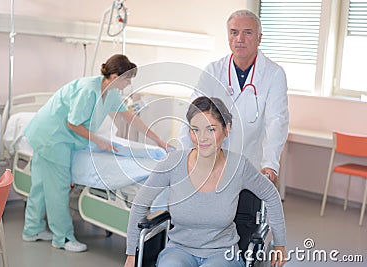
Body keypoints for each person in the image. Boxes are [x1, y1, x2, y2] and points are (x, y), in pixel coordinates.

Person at [22, 54, 169, 252]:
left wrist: (157, 139)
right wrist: (100, 141)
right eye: (127, 79)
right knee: (58, 189)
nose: (128, 84)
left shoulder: (112, 93)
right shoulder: (88, 90)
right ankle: (63, 238)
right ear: (116, 76)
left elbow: (130, 117)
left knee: (40, 185)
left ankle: (32, 230)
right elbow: (72, 124)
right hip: (52, 138)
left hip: (49, 134)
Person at [124, 96, 287, 267]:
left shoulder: (239, 167)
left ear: (226, 129)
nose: (202, 138)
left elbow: (271, 195)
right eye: (195, 129)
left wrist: (280, 244)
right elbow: (140, 203)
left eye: (211, 130)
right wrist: (131, 254)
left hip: (222, 254)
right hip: (178, 251)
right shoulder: (173, 163)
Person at [179, 9, 289, 183]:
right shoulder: (213, 71)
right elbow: (191, 113)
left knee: (247, 209)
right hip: (213, 162)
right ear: (228, 36)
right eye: (234, 32)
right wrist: (186, 155)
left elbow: (276, 121)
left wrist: (270, 164)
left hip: (252, 163)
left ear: (259, 38)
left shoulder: (273, 74)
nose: (240, 39)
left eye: (248, 33)